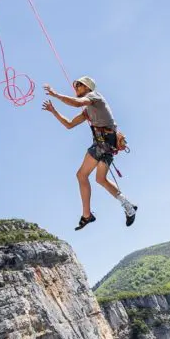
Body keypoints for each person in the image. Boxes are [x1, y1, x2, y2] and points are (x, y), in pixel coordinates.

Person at [41, 76, 137, 230]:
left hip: (103, 143)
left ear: (87, 87)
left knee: (82, 175)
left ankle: (87, 215)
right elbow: (69, 124)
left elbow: (76, 103)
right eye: (76, 85)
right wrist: (54, 111)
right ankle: (128, 206)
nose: (76, 87)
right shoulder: (87, 110)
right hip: (105, 144)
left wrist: (55, 94)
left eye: (79, 85)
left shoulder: (94, 96)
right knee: (100, 179)